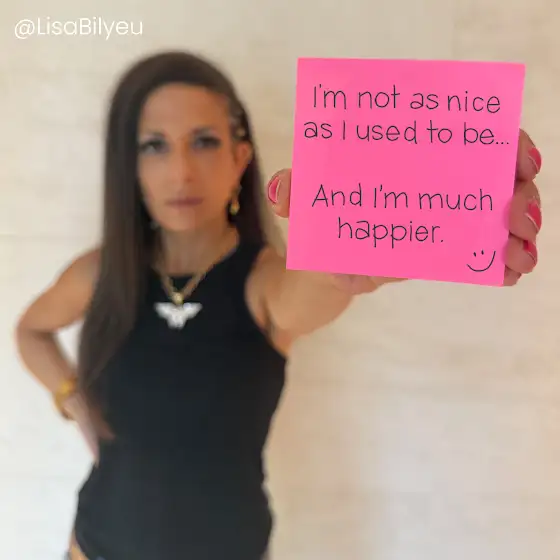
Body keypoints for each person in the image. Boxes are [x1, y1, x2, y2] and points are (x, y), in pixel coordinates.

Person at [14, 50, 543, 560]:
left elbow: (314, 288)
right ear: (129, 166)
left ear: (239, 158)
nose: (181, 171)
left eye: (203, 141)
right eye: (154, 146)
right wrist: (72, 399)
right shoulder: (98, 276)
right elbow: (30, 331)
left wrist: (356, 249)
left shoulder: (262, 282)